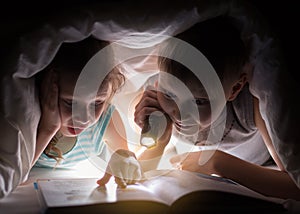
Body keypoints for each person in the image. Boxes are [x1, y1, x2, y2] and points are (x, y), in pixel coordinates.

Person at [134, 16, 300, 200]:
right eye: (170, 95)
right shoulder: (159, 95)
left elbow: (294, 184)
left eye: (199, 102)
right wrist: (160, 139)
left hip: (262, 162)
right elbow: (143, 166)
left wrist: (217, 162)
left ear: (234, 89)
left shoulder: (251, 103)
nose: (180, 114)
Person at [33, 36, 142, 188]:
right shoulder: (30, 116)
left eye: (97, 102)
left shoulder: (105, 119)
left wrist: (125, 160)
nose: (84, 119)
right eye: (70, 103)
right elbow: (14, 174)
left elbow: (125, 157)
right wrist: (47, 129)